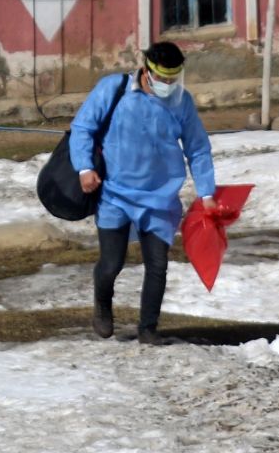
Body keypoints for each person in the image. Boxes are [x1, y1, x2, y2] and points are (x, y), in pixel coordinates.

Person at [70, 41, 215, 345]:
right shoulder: (115, 89)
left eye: (173, 79)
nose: (167, 85)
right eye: (162, 79)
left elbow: (198, 149)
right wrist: (85, 168)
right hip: (115, 194)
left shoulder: (182, 103)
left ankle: (148, 329)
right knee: (112, 263)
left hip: (160, 198)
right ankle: (102, 303)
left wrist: (207, 192)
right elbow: (83, 128)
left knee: (158, 265)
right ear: (146, 70)